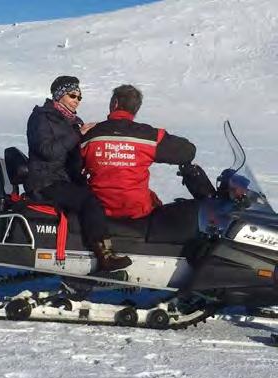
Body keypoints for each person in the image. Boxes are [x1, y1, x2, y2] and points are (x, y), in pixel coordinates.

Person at [25, 76, 132, 271]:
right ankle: (105, 256)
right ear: (59, 96)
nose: (77, 100)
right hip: (46, 182)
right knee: (88, 200)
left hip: (67, 179)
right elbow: (47, 151)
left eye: (79, 97)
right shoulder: (41, 117)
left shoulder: (73, 122)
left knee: (102, 195)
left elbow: (76, 154)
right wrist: (78, 134)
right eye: (73, 95)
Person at [81, 84, 205, 243]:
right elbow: (187, 151)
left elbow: (74, 164)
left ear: (115, 103)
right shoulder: (148, 136)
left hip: (99, 207)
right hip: (136, 210)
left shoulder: (91, 134)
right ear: (135, 109)